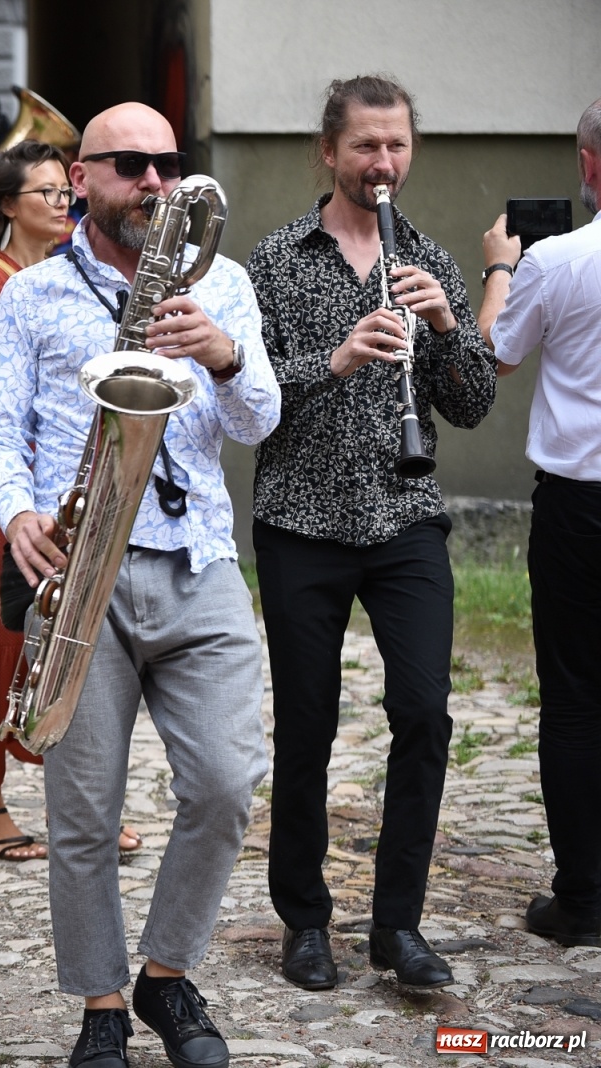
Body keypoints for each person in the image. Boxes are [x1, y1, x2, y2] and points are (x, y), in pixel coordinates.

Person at [0, 102, 280, 1068]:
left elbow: (260, 419)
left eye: (167, 165)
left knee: (227, 783)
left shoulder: (223, 281)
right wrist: (16, 513)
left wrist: (224, 355)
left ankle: (166, 975)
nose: (154, 182)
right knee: (83, 815)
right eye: (131, 166)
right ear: (82, 179)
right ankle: (101, 1003)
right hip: (81, 570)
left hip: (199, 558)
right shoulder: (33, 293)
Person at [246, 75, 497, 992]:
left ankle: (398, 924)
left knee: (425, 714)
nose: (382, 162)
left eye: (396, 145)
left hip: (405, 518)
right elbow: (247, 399)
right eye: (365, 146)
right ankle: (305, 921)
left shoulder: (428, 259)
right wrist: (337, 358)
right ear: (329, 152)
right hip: (300, 522)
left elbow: (472, 405)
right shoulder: (275, 260)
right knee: (307, 725)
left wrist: (447, 326)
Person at [0, 140, 144, 862]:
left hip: (68, 477)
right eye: (46, 192)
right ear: (7, 205)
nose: (62, 202)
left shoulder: (77, 273)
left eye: (64, 191)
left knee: (66, 633)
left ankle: (84, 802)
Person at [475, 98, 601, 949]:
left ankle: (584, 900)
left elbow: (496, 351)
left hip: (582, 505)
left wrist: (499, 269)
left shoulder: (557, 259)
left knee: (577, 697)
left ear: (589, 165)